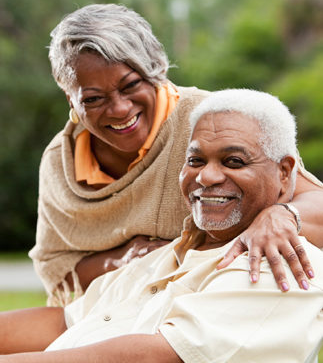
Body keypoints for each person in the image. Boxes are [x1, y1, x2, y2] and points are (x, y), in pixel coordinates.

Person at [29, 3, 323, 306]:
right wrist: (122, 260)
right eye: (92, 98)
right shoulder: (58, 161)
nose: (119, 109)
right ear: (70, 97)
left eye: (131, 85)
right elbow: (55, 264)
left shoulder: (213, 122)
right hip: (108, 316)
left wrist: (282, 215)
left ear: (157, 70)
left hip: (213, 310)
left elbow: (315, 201)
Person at [1, 89, 322, 362]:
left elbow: (160, 355)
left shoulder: (280, 261)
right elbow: (64, 323)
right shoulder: (166, 254)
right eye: (196, 160)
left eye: (233, 161)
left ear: (283, 173)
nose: (206, 177)